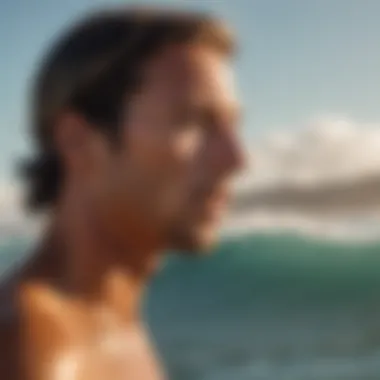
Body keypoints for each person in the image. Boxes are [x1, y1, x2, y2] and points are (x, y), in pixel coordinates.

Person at [0, 6, 245, 380]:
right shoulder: (39, 353)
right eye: (194, 123)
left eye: (232, 125)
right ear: (77, 140)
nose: (235, 158)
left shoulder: (107, 325)